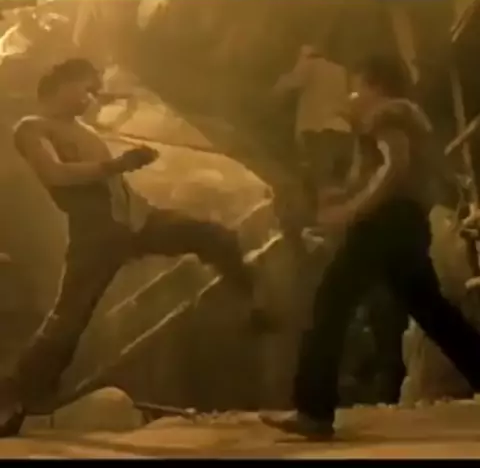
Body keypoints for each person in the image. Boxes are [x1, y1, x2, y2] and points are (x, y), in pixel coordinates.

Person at [0, 58, 258, 437]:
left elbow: (113, 183)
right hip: (96, 237)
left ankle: (252, 306)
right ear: (63, 83)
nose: (89, 97)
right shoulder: (32, 127)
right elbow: (55, 174)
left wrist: (129, 167)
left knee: (213, 236)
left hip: (138, 221)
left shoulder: (85, 129)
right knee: (67, 323)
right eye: (85, 88)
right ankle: (14, 400)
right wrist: (118, 164)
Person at [262, 55, 480, 439]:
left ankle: (313, 410)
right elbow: (386, 169)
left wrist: (353, 209)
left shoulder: (387, 114)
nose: (354, 94)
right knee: (433, 312)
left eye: (358, 85)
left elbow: (395, 166)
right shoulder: (401, 117)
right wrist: (342, 196)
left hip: (385, 222)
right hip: (405, 223)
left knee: (332, 299)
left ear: (375, 84)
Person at [273, 44, 355, 209]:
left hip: (318, 131)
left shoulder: (309, 64)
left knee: (323, 184)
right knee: (340, 185)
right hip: (343, 131)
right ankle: (342, 217)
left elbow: (292, 82)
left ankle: (327, 217)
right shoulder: (340, 70)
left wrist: (277, 87)